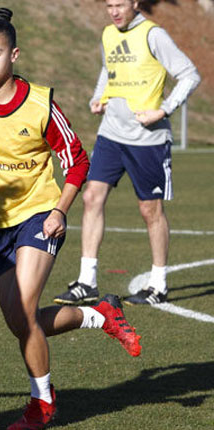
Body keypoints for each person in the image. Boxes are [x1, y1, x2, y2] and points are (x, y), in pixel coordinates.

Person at [0, 8, 142, 430]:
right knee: (19, 323)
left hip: (40, 216)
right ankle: (99, 315)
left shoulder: (40, 102)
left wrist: (60, 210)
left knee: (24, 310)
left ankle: (42, 404)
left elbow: (77, 161)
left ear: (15, 55)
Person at [54, 0, 200, 306]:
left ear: (135, 2)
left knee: (150, 210)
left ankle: (158, 284)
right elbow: (109, 71)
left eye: (120, 4)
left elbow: (189, 75)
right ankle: (87, 281)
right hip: (111, 134)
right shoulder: (108, 34)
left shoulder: (153, 35)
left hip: (148, 140)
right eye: (109, 5)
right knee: (92, 196)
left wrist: (163, 110)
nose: (114, 11)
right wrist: (98, 98)